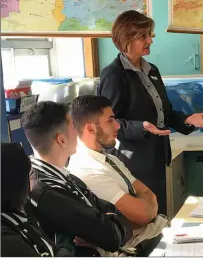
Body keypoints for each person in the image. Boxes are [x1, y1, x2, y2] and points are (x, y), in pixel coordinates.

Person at [98, 10, 203, 214]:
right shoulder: (114, 74)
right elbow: (108, 122)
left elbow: (164, 112)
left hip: (156, 156)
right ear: (126, 38)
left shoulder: (151, 70)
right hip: (132, 160)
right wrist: (140, 127)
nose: (150, 40)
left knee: (156, 216)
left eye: (150, 35)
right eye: (143, 36)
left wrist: (187, 119)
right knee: (140, 220)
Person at [21, 101, 133, 256]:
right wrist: (108, 223)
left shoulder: (61, 175)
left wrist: (109, 222)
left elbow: (120, 221)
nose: (78, 133)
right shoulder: (47, 190)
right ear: (62, 140)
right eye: (74, 127)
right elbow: (111, 237)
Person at [68, 95, 167, 255]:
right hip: (138, 247)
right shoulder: (88, 170)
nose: (117, 126)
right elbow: (142, 215)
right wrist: (145, 207)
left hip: (154, 232)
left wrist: (146, 208)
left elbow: (150, 195)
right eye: (110, 120)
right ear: (91, 128)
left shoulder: (109, 159)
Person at [1, 142, 73, 257]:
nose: (34, 183)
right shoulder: (5, 240)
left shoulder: (22, 212)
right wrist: (68, 242)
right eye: (30, 175)